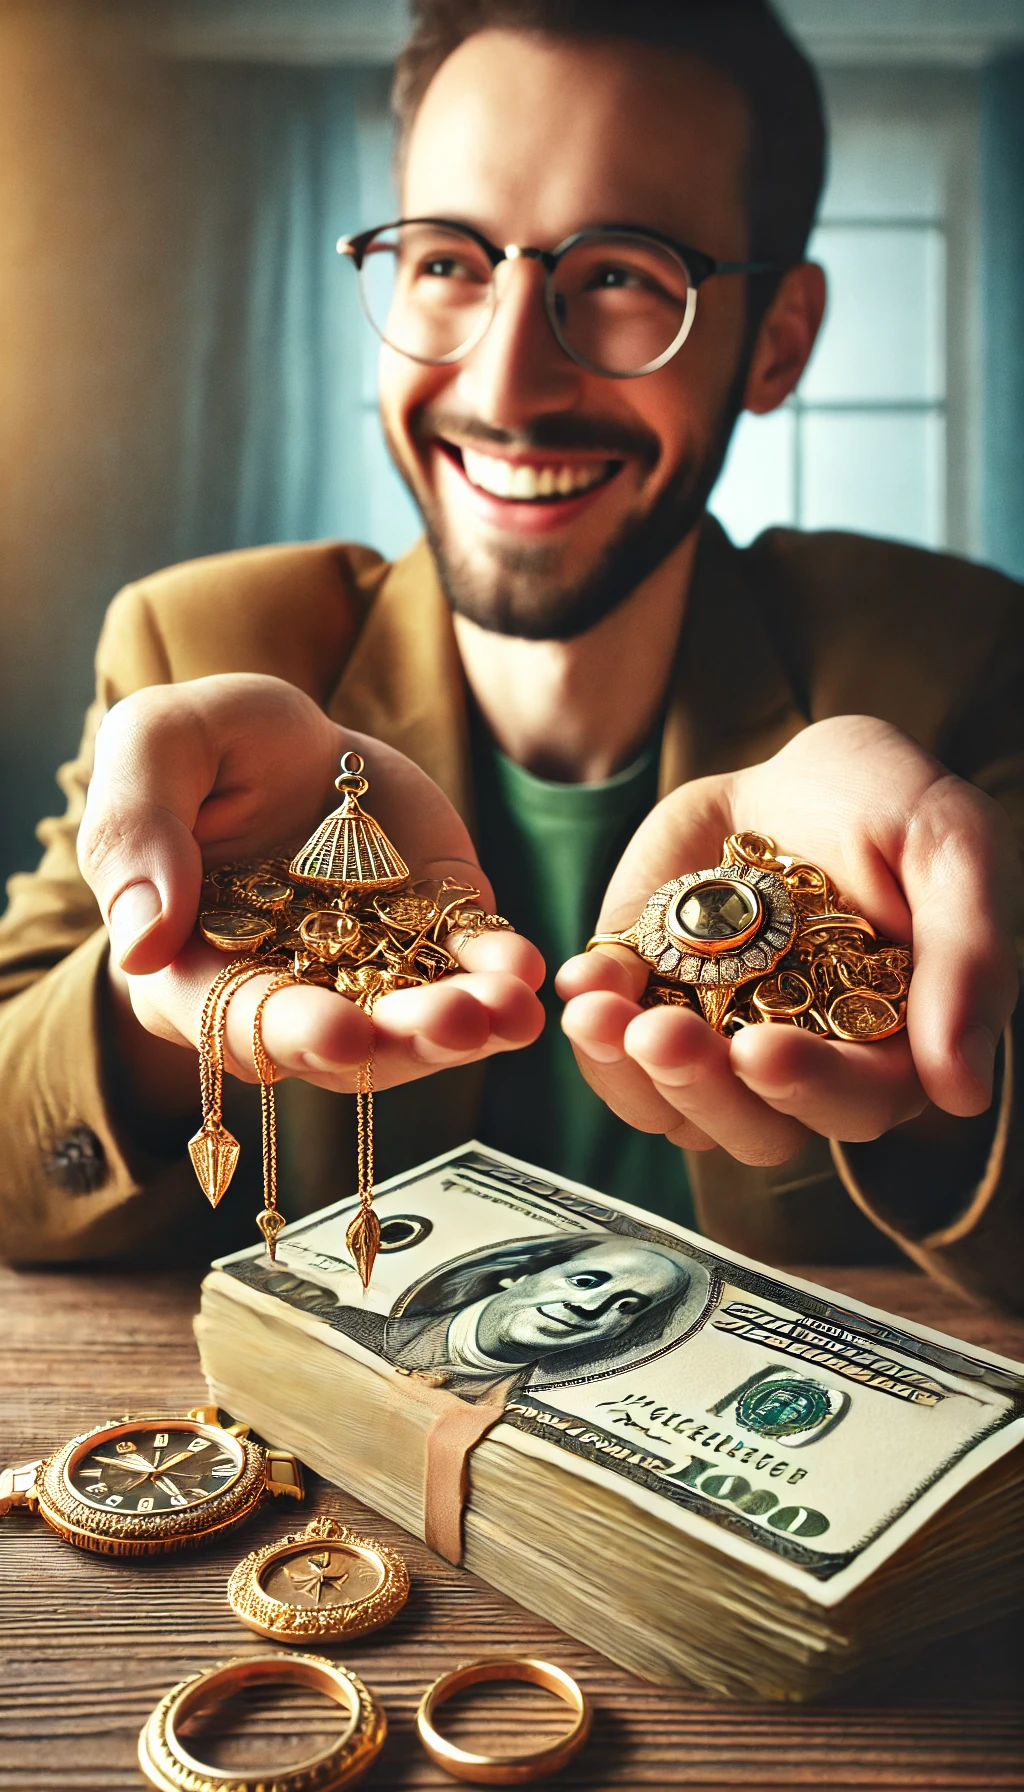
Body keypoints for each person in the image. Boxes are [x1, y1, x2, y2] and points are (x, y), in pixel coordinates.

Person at [1, 0, 1022, 1305]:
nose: (508, 383)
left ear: (776, 341)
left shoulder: (955, 662)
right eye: (445, 262)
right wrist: (180, 990)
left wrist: (933, 1061)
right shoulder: (196, 652)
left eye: (619, 274)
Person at [296, 1234, 699, 1402]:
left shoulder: (536, 1407)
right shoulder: (336, 1324)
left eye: (626, 1306)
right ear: (522, 1275)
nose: (590, 1307)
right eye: (585, 1280)